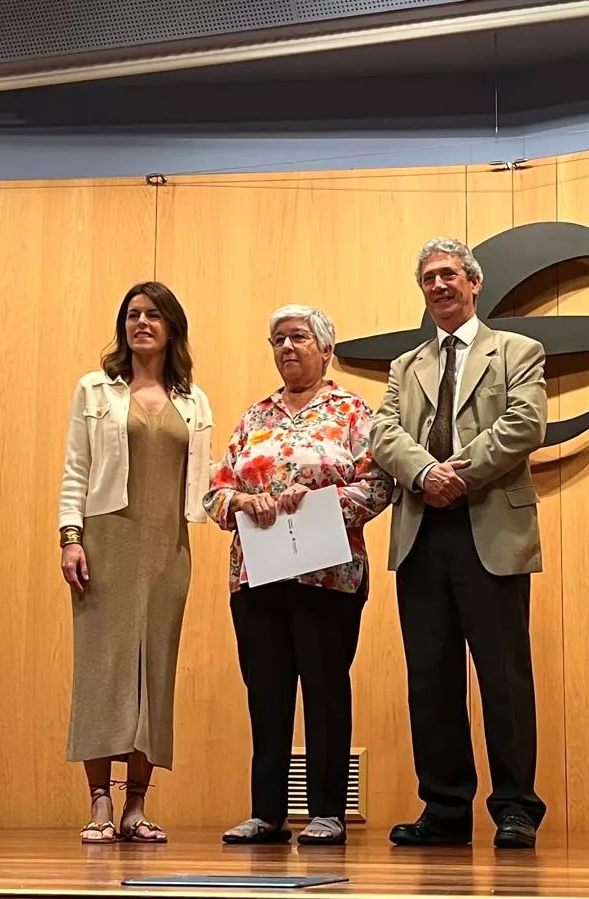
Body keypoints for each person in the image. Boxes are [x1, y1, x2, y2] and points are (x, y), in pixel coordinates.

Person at [369, 237, 549, 850]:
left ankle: (516, 809)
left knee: (503, 676)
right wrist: (424, 474)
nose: (439, 286)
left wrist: (457, 472)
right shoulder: (405, 366)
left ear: (473, 284)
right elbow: (382, 432)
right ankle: (444, 810)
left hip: (491, 527)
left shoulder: (518, 350)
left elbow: (526, 424)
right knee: (431, 678)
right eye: (428, 279)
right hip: (422, 533)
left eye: (449, 275)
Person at [204, 305, 394, 846]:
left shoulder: (355, 412)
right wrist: (246, 499)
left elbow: (379, 484)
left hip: (327, 577)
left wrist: (318, 502)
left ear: (325, 349)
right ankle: (266, 813)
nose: (287, 348)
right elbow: (214, 495)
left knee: (326, 691)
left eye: (299, 337)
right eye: (278, 340)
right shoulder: (253, 417)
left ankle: (328, 812)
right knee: (265, 692)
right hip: (257, 576)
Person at [57, 281, 214, 844]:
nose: (140, 323)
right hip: (106, 541)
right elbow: (76, 468)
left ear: (172, 327)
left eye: (152, 315)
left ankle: (136, 805)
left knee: (155, 672)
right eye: (132, 315)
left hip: (168, 549)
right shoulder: (95, 390)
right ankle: (99, 799)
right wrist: (70, 537)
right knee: (103, 668)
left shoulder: (193, 400)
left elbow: (208, 484)